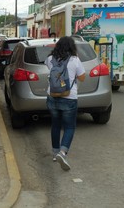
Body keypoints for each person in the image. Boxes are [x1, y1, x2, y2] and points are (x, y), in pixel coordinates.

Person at [45, 36, 85, 171]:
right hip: (69, 97)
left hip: (53, 96)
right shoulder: (75, 59)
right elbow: (82, 77)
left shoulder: (50, 59)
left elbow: (48, 67)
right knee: (69, 127)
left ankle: (55, 153)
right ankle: (63, 152)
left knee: (55, 124)